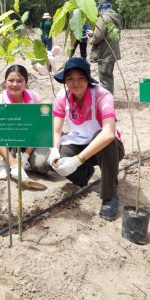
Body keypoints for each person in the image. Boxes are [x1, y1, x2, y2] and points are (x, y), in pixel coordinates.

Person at [49, 57, 124, 221]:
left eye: (81, 78)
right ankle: (83, 175)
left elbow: (109, 133)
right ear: (64, 81)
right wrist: (54, 149)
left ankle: (109, 196)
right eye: (70, 79)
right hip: (80, 143)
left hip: (109, 149)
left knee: (103, 137)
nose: (75, 83)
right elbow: (56, 130)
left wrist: (77, 160)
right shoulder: (63, 97)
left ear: (88, 80)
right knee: (58, 156)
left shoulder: (102, 96)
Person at [0, 64, 49, 182]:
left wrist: (26, 156)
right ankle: (8, 162)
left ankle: (22, 158)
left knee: (41, 165)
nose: (15, 84)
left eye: (19, 81)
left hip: (31, 139)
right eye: (11, 80)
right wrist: (13, 165)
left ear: (26, 82)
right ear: (5, 82)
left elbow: (38, 128)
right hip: (8, 140)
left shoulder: (34, 98)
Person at [88, 0, 122, 94]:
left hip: (105, 53)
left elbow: (98, 36)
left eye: (99, 5)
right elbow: (109, 33)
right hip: (113, 51)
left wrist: (90, 39)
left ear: (101, 6)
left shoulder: (104, 17)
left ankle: (107, 100)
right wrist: (93, 33)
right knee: (109, 76)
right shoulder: (115, 17)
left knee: (104, 78)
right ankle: (109, 96)